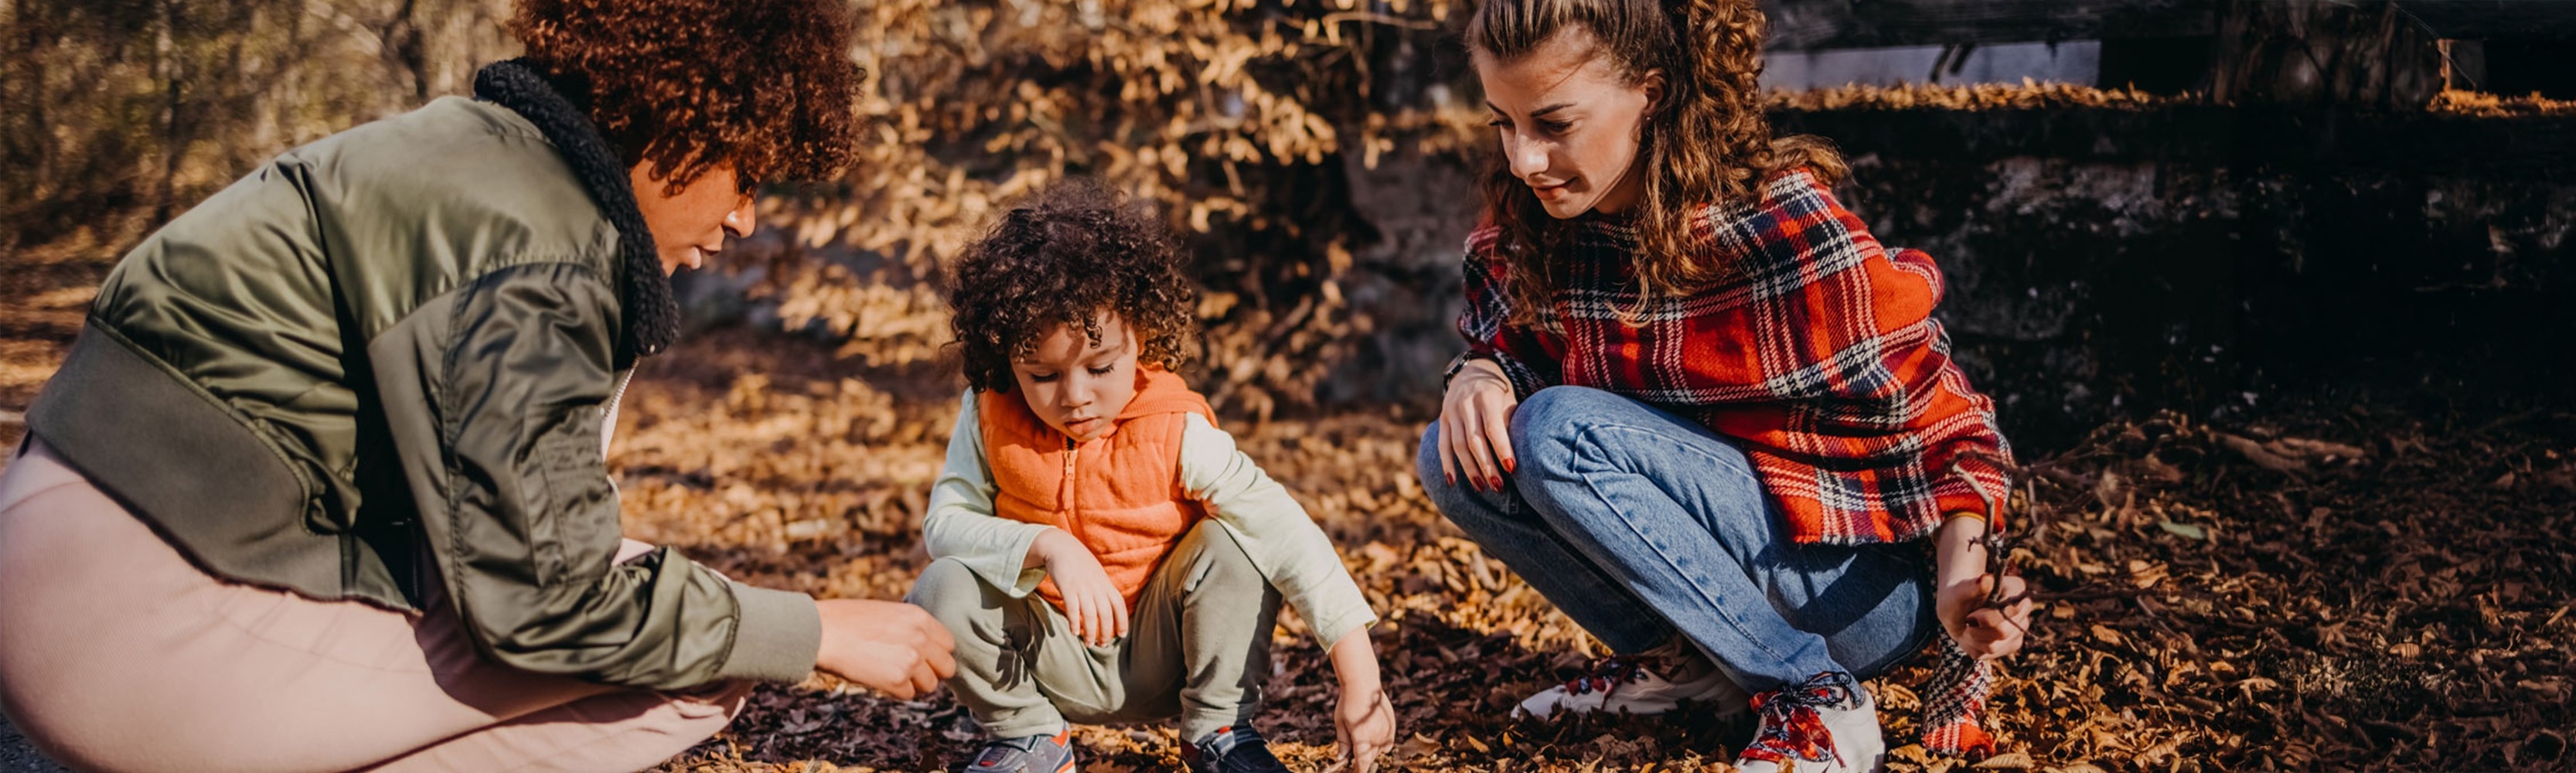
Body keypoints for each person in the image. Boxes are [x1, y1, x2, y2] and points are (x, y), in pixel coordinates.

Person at [0, 1, 955, 770]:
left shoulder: (473, 153)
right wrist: (814, 629)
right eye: (746, 172)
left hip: (80, 541)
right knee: (698, 669)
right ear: (680, 120)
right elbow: (548, 601)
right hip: (129, 626)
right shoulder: (536, 255)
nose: (745, 217)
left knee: (680, 605)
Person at [1415, 1, 2037, 771]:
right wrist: (1480, 371)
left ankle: (1816, 698)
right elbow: (1522, 352)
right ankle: (1688, 668)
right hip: (1733, 574)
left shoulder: (1777, 229)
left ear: (1650, 94)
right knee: (1455, 453)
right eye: (1503, 124)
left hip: (1864, 592)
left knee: (1557, 433)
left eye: (1554, 123)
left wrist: (1964, 578)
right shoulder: (1546, 234)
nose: (1523, 160)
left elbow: (1957, 431)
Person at [905, 180, 1398, 773]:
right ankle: (1029, 736)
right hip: (1045, 657)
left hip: (1168, 654)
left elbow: (1283, 530)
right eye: (1043, 376)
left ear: (1140, 335)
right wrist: (1049, 547)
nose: (1076, 397)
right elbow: (946, 524)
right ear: (1004, 354)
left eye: (1100, 367)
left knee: (1237, 540)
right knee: (942, 586)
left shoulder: (1174, 425)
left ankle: (1217, 730)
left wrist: (1359, 672)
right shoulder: (989, 414)